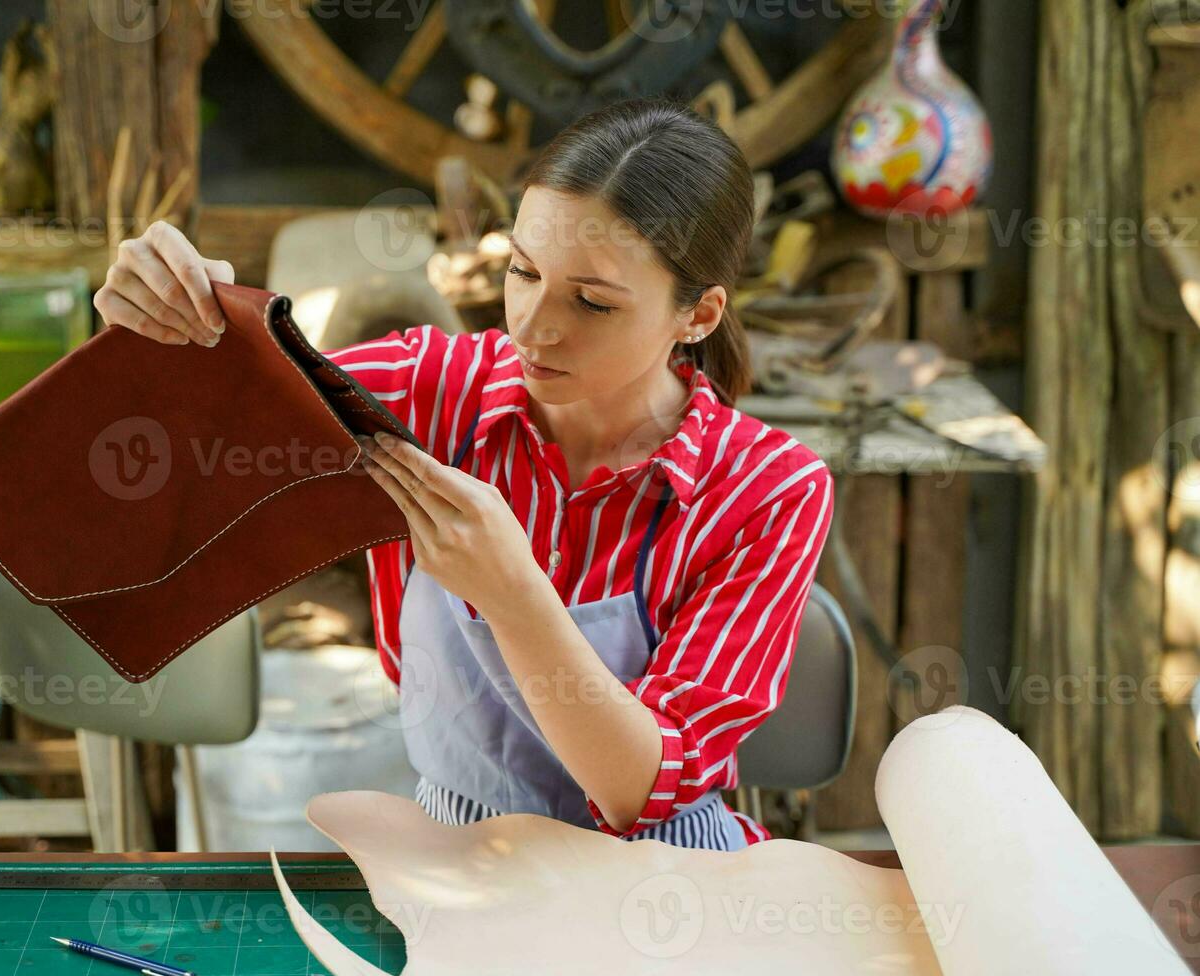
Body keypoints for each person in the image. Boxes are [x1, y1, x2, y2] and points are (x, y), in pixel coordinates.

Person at [95, 97, 834, 850]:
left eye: (591, 302)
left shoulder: (768, 489)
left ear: (699, 315)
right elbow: (177, 447)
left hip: (660, 879)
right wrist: (171, 330)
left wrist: (513, 596)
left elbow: (637, 792)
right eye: (522, 270)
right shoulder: (427, 393)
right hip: (454, 857)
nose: (533, 325)